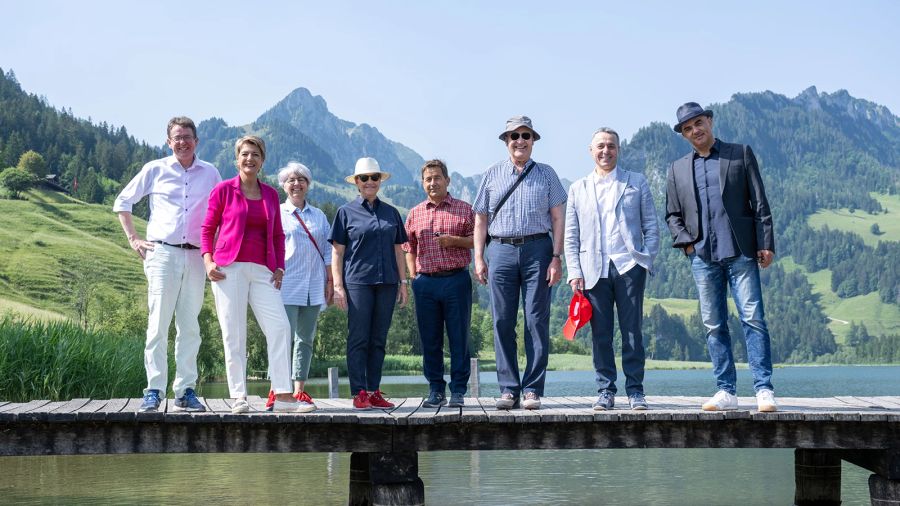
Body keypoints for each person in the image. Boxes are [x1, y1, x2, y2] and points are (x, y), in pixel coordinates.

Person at [665, 102, 778, 412]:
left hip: (741, 251)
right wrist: (688, 245)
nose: (694, 131)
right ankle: (726, 390)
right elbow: (672, 215)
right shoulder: (677, 169)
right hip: (702, 257)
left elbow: (760, 202)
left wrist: (765, 242)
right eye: (687, 129)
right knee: (714, 324)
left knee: (753, 319)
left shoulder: (739, 154)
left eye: (698, 123)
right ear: (684, 135)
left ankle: (764, 389)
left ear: (710, 121)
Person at [113, 116, 221, 413]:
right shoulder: (155, 169)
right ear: (169, 141)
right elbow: (123, 202)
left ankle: (185, 390)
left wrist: (217, 252)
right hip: (161, 254)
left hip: (197, 256)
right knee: (158, 324)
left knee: (190, 326)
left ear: (196, 141)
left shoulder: (211, 173)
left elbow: (223, 212)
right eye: (177, 137)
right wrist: (134, 239)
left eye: (188, 136)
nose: (183, 141)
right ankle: (154, 390)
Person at [201, 135, 302, 414]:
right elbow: (207, 229)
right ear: (237, 159)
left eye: (255, 155)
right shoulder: (223, 190)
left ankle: (283, 395)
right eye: (245, 154)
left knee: (280, 327)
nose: (250, 159)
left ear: (262, 161)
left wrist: (279, 266)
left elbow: (279, 236)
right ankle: (239, 397)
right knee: (234, 333)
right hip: (227, 268)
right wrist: (208, 262)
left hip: (263, 270)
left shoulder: (270, 194)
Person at [473, 115, 567, 410]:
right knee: (502, 321)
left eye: (526, 136)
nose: (520, 141)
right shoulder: (491, 174)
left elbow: (558, 218)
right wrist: (478, 256)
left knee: (536, 321)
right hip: (500, 250)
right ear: (506, 141)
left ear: (533, 141)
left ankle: (532, 390)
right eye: (514, 136)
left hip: (539, 249)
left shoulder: (547, 174)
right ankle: (508, 389)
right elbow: (481, 219)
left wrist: (556, 257)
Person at [564, 127, 660, 411]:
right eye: (601, 146)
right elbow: (571, 235)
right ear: (591, 151)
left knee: (632, 332)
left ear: (619, 150)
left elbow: (651, 226)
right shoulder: (577, 188)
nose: (606, 151)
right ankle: (605, 390)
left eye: (611, 146)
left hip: (629, 266)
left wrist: (645, 259)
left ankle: (635, 391)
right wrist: (574, 271)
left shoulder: (636, 182)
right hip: (593, 269)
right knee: (600, 334)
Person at [330, 157, 409, 410]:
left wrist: (403, 282)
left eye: (374, 177)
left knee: (378, 339)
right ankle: (359, 392)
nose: (369, 182)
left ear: (380, 181)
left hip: (387, 283)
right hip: (357, 284)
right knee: (359, 339)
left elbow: (399, 250)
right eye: (364, 178)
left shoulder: (392, 213)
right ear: (356, 182)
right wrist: (338, 286)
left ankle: (374, 391)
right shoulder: (345, 212)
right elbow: (337, 253)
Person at [404, 159, 474, 408]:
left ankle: (458, 391)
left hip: (457, 280)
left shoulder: (465, 209)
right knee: (430, 339)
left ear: (447, 180)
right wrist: (414, 277)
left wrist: (455, 240)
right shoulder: (415, 213)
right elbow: (408, 248)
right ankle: (435, 390)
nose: (432, 182)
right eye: (428, 179)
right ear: (423, 183)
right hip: (425, 283)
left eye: (437, 177)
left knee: (459, 338)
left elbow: (478, 240)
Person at [277, 162, 333, 412]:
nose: (296, 184)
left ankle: (299, 390)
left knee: (305, 339)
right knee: (282, 338)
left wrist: (331, 281)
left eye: (301, 179)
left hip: (314, 286)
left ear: (308, 184)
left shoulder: (319, 215)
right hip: (286, 285)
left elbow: (328, 251)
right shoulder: (277, 213)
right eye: (291, 180)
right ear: (284, 185)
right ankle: (279, 390)